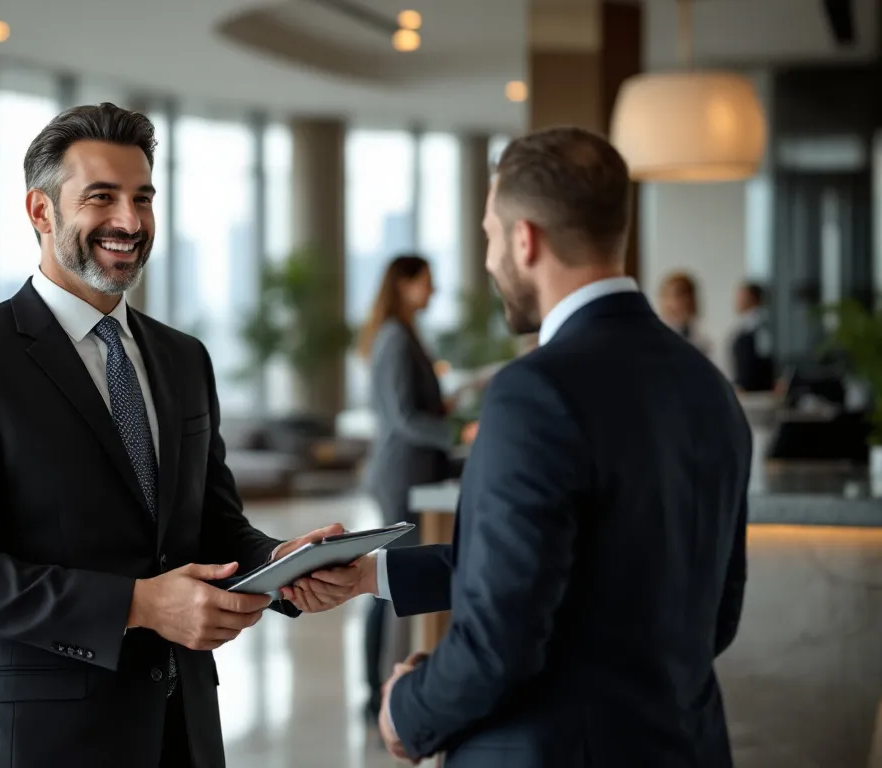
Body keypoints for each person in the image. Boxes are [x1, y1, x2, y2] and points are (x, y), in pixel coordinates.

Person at [283, 126, 752, 767]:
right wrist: (371, 573)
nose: (486, 258)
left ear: (524, 238)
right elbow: (709, 612)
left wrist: (405, 706)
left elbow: (498, 642)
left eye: (488, 235)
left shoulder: (533, 392)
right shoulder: (710, 388)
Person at [0, 103, 339, 768]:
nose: (129, 222)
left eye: (142, 198)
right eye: (101, 197)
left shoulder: (183, 358)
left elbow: (212, 528)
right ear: (41, 213)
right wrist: (138, 604)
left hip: (183, 730)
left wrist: (283, 565)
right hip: (47, 741)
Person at [355, 253, 454, 722]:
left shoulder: (405, 334)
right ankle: (375, 691)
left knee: (394, 576)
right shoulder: (396, 337)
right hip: (402, 474)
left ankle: (376, 687)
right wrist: (456, 433)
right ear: (405, 283)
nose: (433, 291)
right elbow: (404, 418)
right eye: (428, 283)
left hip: (414, 471)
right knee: (392, 577)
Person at [730, 281, 776, 392]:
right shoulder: (747, 324)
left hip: (756, 391)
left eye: (741, 296)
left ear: (752, 298)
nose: (736, 301)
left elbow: (763, 358)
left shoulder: (760, 326)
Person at [658, 270, 715, 358]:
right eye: (678, 295)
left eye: (689, 295)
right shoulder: (655, 339)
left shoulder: (704, 340)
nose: (686, 301)